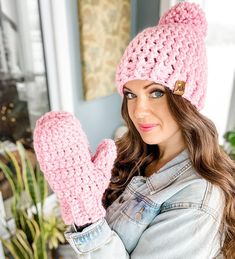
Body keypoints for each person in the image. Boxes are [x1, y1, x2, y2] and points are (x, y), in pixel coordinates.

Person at [33, 2, 235, 259]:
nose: (138, 111)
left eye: (156, 93)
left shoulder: (198, 199)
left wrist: (87, 217)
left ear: (187, 98)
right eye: (130, 94)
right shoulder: (137, 155)